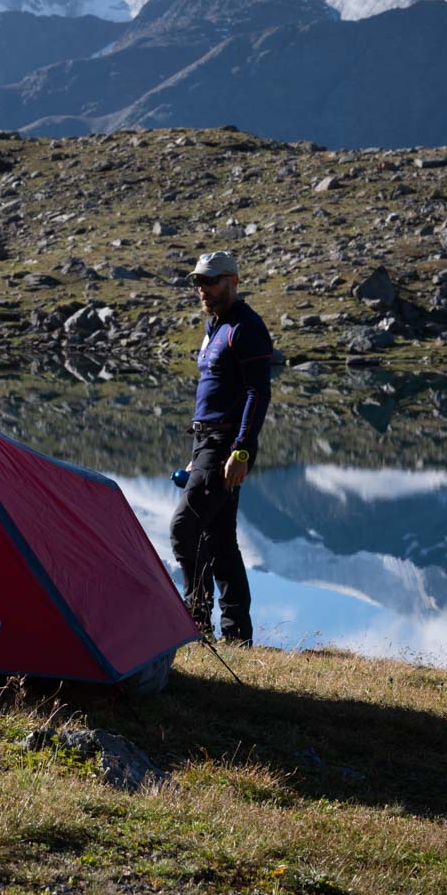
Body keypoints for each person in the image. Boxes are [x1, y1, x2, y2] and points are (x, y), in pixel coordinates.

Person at [171, 250, 272, 644]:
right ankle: (236, 635)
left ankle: (195, 624)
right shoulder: (216, 327)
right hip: (205, 444)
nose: (202, 289)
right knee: (219, 539)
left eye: (209, 282)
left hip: (225, 445)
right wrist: (198, 452)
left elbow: (257, 393)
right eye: (197, 282)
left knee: (183, 529)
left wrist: (241, 450)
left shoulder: (246, 327)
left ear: (232, 281)